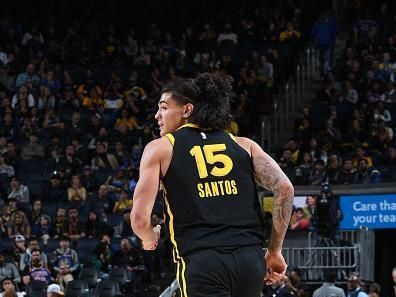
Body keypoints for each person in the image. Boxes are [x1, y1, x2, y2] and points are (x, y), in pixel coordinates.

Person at [130, 73, 294, 297]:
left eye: (164, 107)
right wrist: (274, 251)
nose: (157, 115)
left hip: (203, 262)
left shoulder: (161, 148)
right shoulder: (244, 145)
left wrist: (150, 238)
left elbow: (140, 221)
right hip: (250, 260)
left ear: (187, 110)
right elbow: (285, 188)